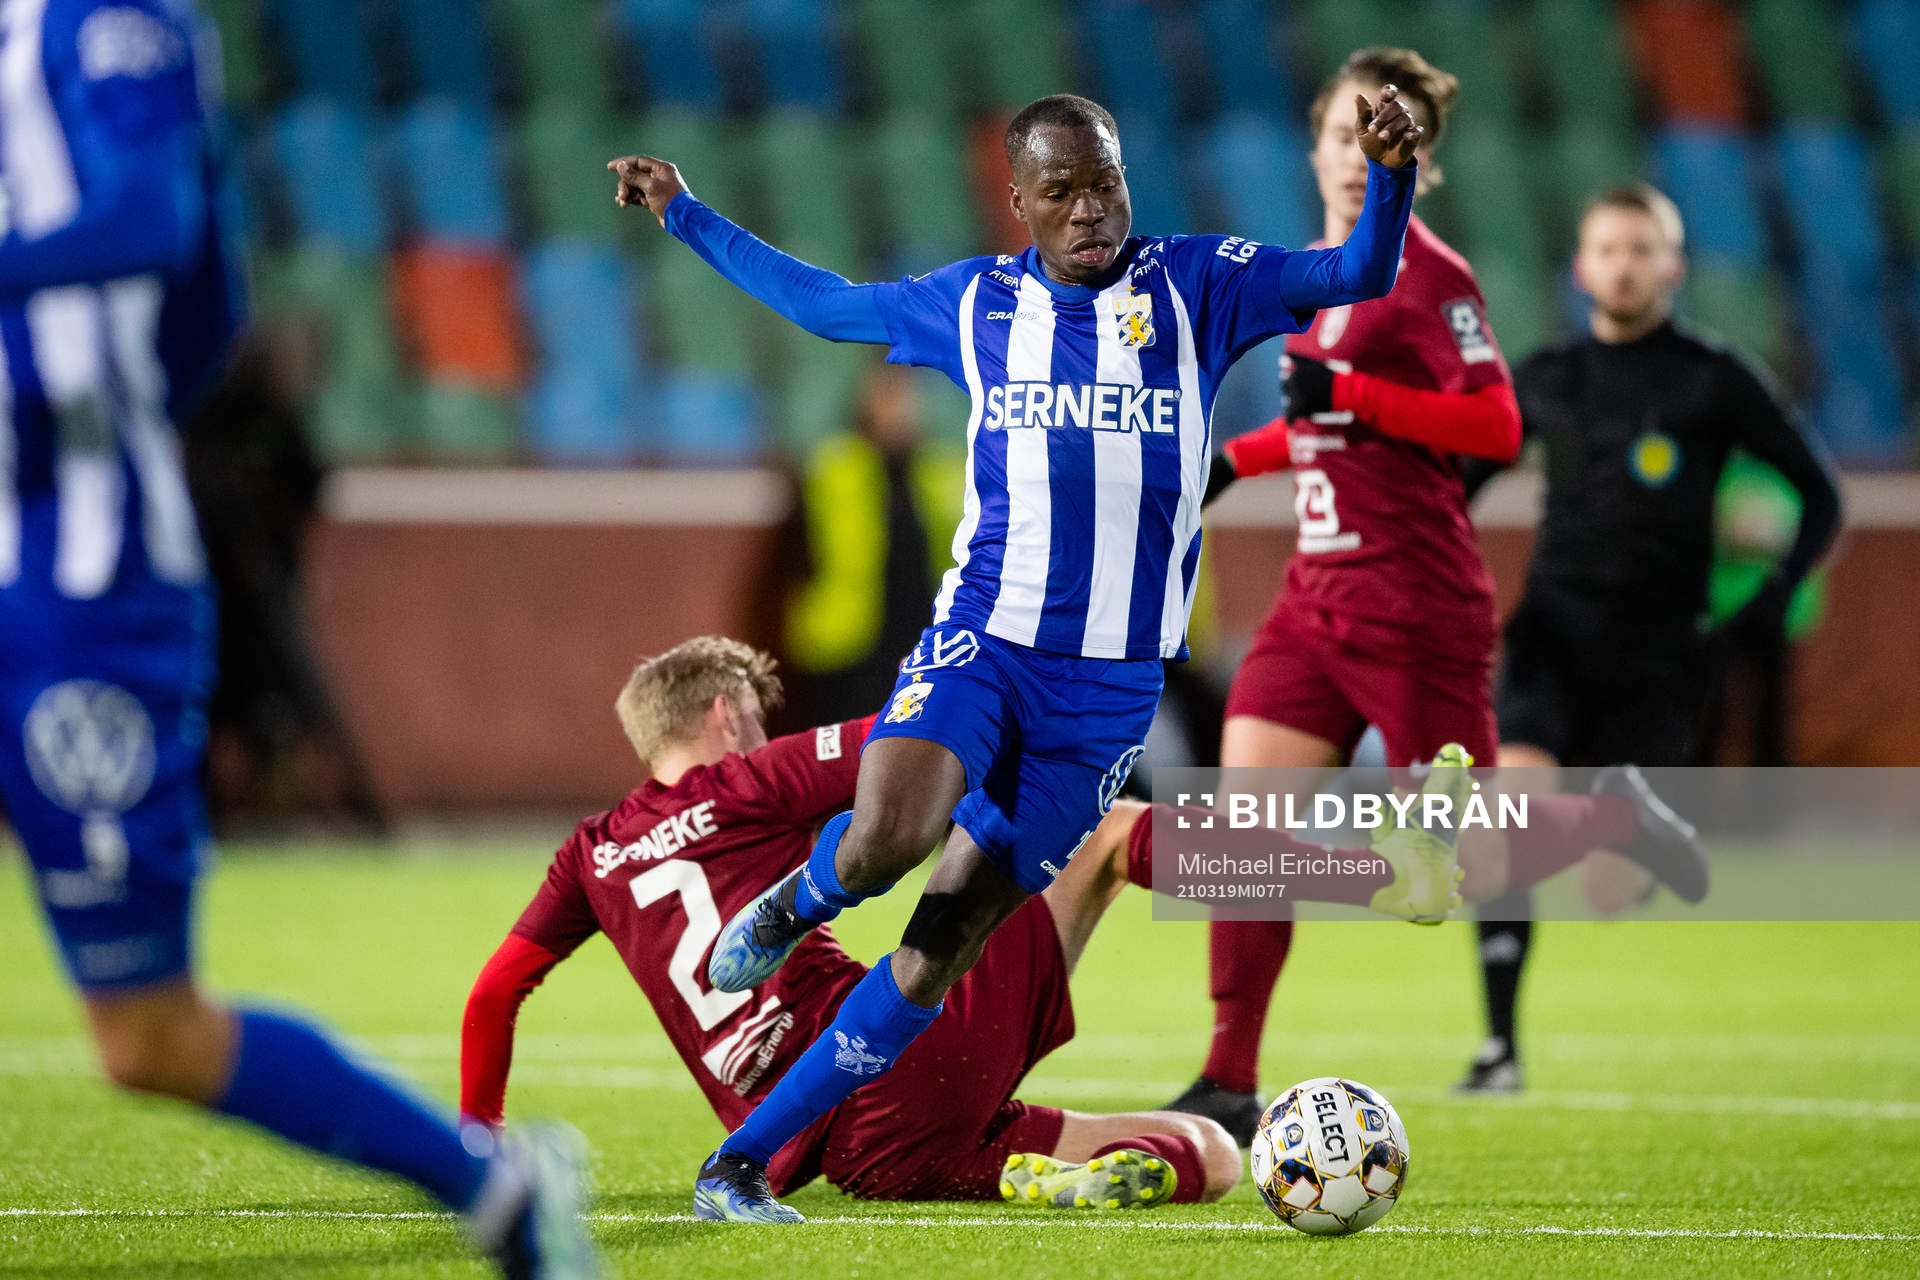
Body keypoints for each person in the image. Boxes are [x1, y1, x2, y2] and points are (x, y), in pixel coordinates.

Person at [610, 87, 1426, 1221]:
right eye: (1062, 192)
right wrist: (690, 215)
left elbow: (1357, 276)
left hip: (1105, 695)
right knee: (887, 835)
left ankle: (737, 1162)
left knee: (934, 952)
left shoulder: (1200, 282)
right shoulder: (977, 302)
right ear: (1018, 203)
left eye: (1106, 185)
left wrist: (1391, 178)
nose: (1091, 211)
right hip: (986, 640)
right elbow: (825, 305)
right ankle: (804, 896)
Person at [0, 3, 593, 1274]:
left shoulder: (110, 25)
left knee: (147, 1034)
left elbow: (166, 241)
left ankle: (491, 1184)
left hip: (75, 585)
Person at [1163, 49, 1705, 1143]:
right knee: (1240, 831)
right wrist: (1240, 460)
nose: (1359, 155)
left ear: (1418, 161)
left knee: (1465, 868)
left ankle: (1609, 815)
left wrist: (1350, 389)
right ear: (1314, 142)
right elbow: (1329, 424)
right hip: (1317, 602)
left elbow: (1496, 425)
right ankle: (1227, 1075)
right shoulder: (1316, 270)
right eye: (1342, 131)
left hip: (1417, 608)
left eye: (1383, 136)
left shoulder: (1433, 273)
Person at [461, 637, 1467, 1211]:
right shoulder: (744, 778)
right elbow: (921, 741)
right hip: (895, 1068)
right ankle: (1375, 874)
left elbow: (493, 994)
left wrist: (479, 1137)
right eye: (754, 719)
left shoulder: (589, 853)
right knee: (1113, 833)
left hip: (854, 1158)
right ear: (726, 714)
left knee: (1208, 1151)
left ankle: (1051, 1180)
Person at [1451, 182, 1841, 1092]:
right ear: (1582, 267)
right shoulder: (1545, 377)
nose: (1624, 264)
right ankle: (1499, 1047)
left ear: (1671, 264)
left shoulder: (1714, 378)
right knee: (1505, 812)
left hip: (1661, 656)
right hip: (1553, 633)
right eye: (1607, 249)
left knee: (1608, 892)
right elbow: (1456, 487)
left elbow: (1820, 495)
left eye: (1642, 248)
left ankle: (1634, 831)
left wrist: (1767, 602)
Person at [783, 360, 962, 723]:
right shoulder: (838, 463)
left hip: (923, 636)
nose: (901, 408)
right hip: (853, 639)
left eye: (908, 396)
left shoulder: (941, 468)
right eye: (889, 395)